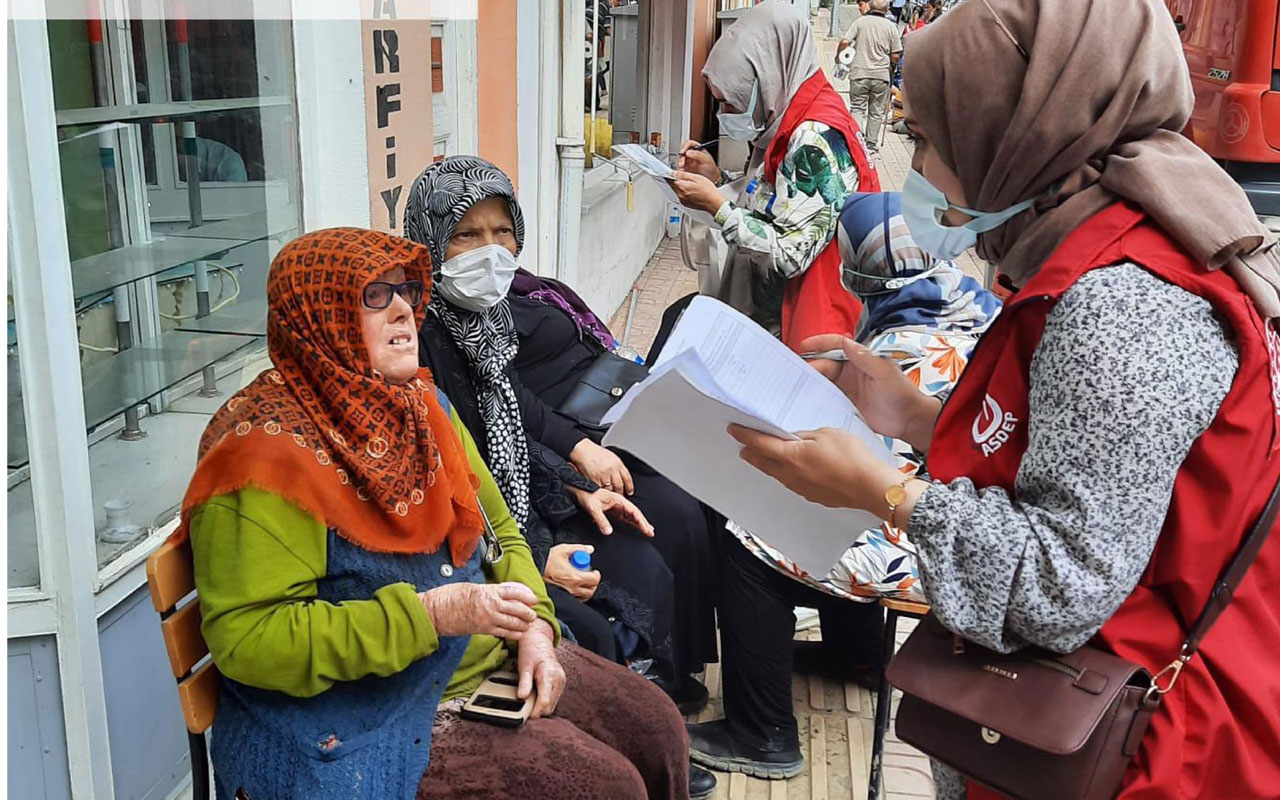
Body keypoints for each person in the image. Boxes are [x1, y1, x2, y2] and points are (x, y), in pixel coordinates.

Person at [729, 0, 1280, 798]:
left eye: (925, 138)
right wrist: (915, 416)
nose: (913, 173)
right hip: (1079, 724)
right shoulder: (1110, 237)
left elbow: (1059, 587)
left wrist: (883, 492)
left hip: (1131, 749)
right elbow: (1087, 462)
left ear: (1012, 133)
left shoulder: (1120, 305)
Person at [179, 227, 697, 800]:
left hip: (469, 663)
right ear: (318, 316)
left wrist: (537, 628)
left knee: (656, 726)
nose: (404, 308)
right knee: (603, 786)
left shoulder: (422, 406)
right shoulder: (263, 457)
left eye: (403, 289)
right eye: (373, 295)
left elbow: (500, 531)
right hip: (356, 714)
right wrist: (430, 614)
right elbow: (250, 640)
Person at [686, 191, 1001, 780]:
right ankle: (855, 656)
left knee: (750, 533)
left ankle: (761, 735)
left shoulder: (893, 349)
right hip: (959, 519)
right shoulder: (973, 310)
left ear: (860, 270)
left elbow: (857, 470)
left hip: (934, 535)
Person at [404, 156, 720, 729]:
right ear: (429, 243)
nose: (490, 251)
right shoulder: (423, 343)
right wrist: (532, 557)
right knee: (604, 606)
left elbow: (514, 412)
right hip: (488, 536)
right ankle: (629, 735)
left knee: (658, 533)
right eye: (466, 236)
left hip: (529, 494)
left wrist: (575, 481)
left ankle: (659, 707)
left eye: (502, 232)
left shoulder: (489, 320)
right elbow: (455, 474)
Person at [670, 1, 880, 349]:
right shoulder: (795, 116)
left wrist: (718, 207)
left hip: (817, 331)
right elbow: (782, 202)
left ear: (767, 77)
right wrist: (717, 180)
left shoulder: (815, 138)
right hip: (797, 315)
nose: (725, 114)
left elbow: (791, 251)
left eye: (732, 103)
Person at [838, 0, 902, 154]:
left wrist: (839, 57)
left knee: (857, 108)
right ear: (887, 9)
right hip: (881, 76)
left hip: (859, 73)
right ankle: (871, 146)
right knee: (876, 111)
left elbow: (844, 41)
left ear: (870, 6)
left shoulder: (860, 22)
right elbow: (895, 55)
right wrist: (892, 65)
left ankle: (855, 142)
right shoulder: (890, 27)